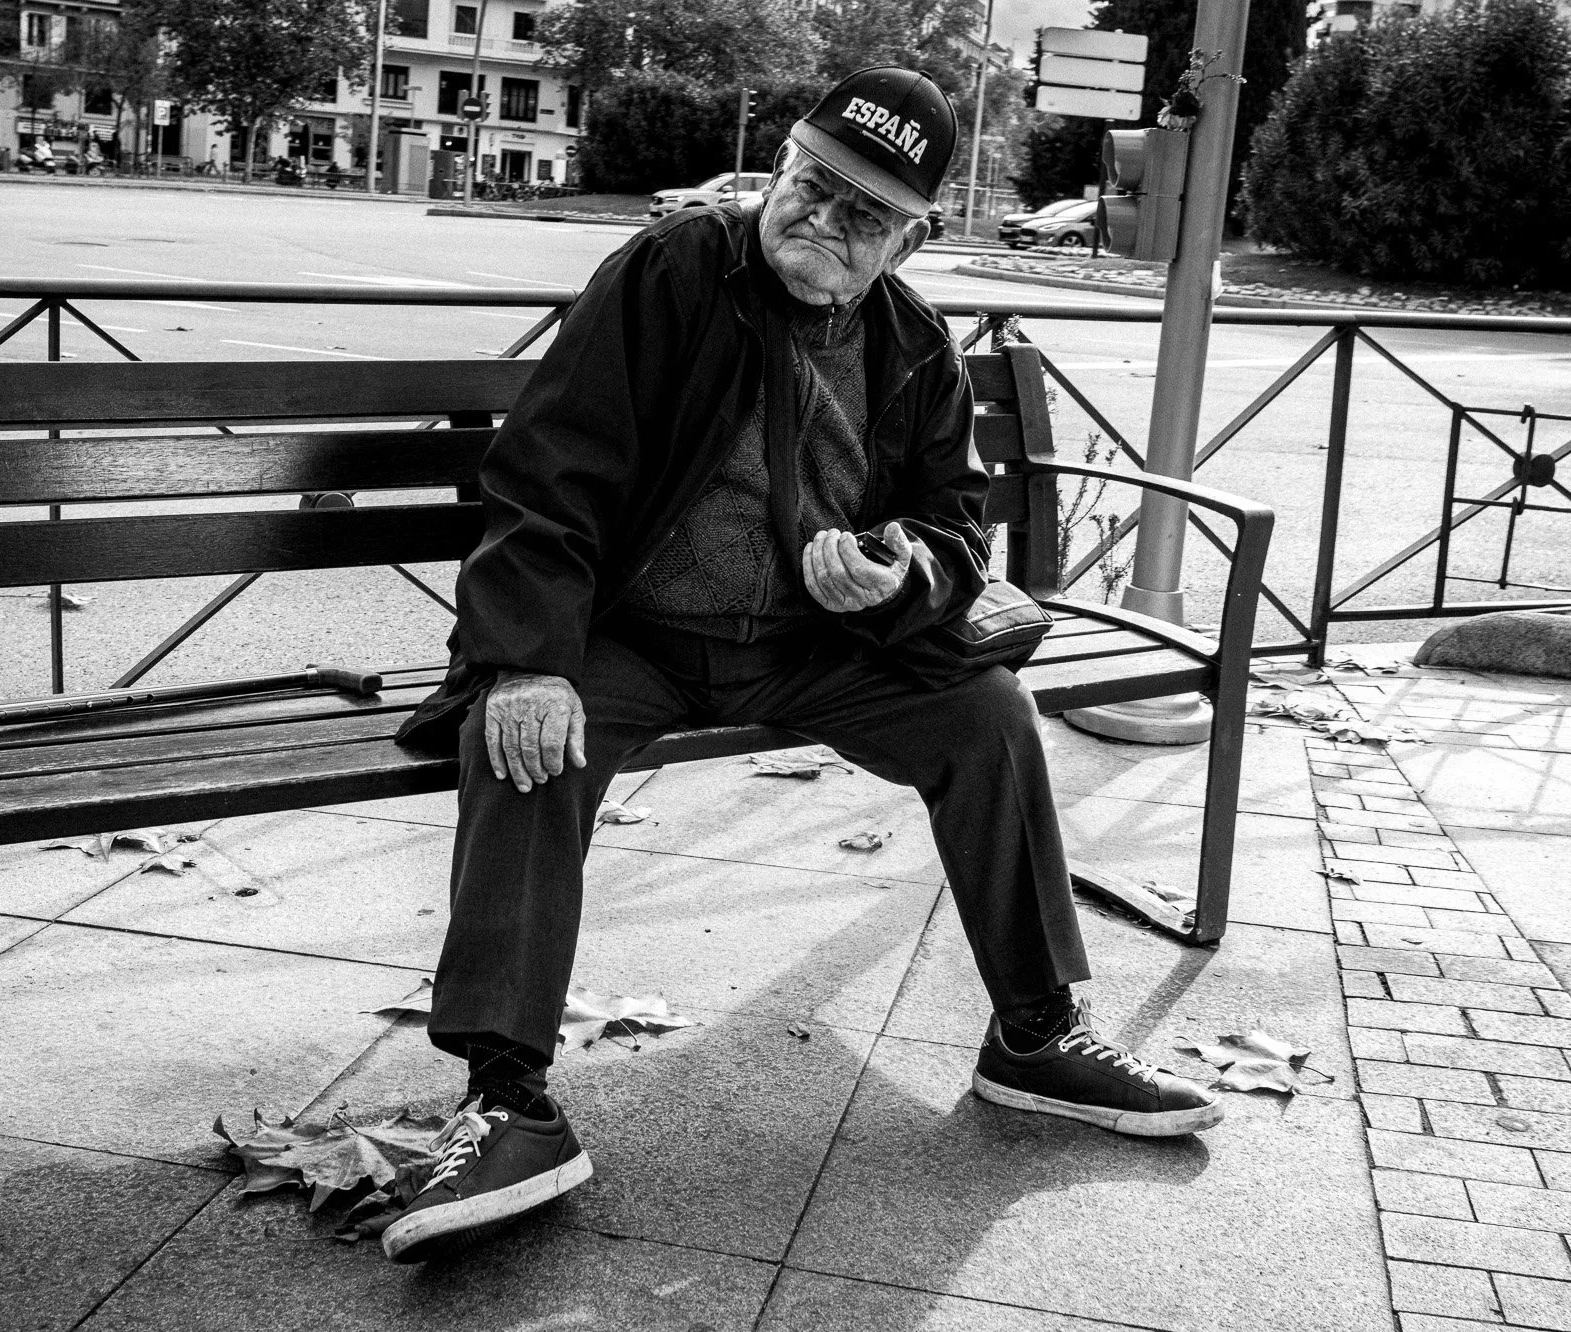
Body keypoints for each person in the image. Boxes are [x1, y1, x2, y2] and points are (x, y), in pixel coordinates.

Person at [380, 66, 1224, 1267]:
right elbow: (546, 475)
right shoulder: (668, 274)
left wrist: (896, 576)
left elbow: (950, 524)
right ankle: (507, 1098)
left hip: (805, 648)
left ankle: (1035, 1037)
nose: (821, 224)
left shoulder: (911, 340)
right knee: (521, 737)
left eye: (861, 215)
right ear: (778, 165)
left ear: (906, 241)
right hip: (635, 635)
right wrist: (525, 663)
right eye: (811, 187)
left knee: (985, 713)